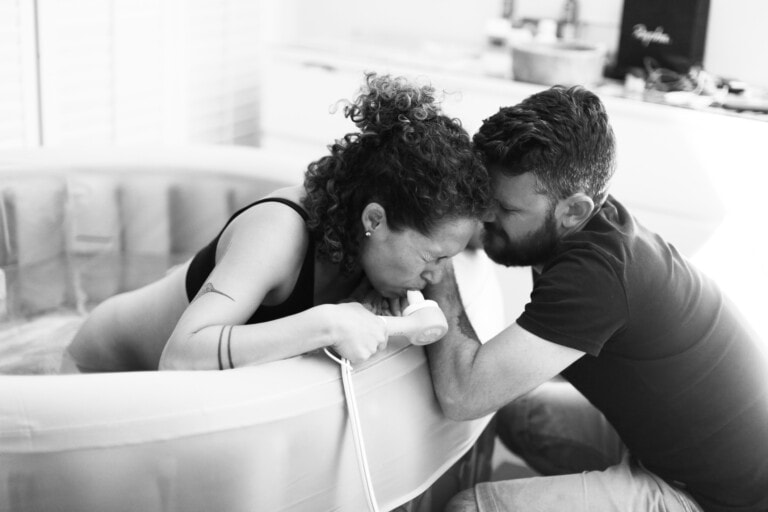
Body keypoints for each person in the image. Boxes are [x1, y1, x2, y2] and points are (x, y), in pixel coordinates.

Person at [424, 85, 768, 512]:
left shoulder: (597, 276)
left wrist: (435, 267)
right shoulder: (584, 220)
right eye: (485, 201)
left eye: (505, 210)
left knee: (466, 508)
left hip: (716, 497)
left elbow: (462, 394)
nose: (485, 217)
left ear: (573, 209)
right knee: (517, 415)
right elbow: (481, 230)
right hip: (695, 448)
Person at [61, 72, 490, 373]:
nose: (435, 275)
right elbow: (181, 355)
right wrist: (328, 323)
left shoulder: (371, 244)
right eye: (432, 258)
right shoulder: (278, 231)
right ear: (374, 219)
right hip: (99, 369)